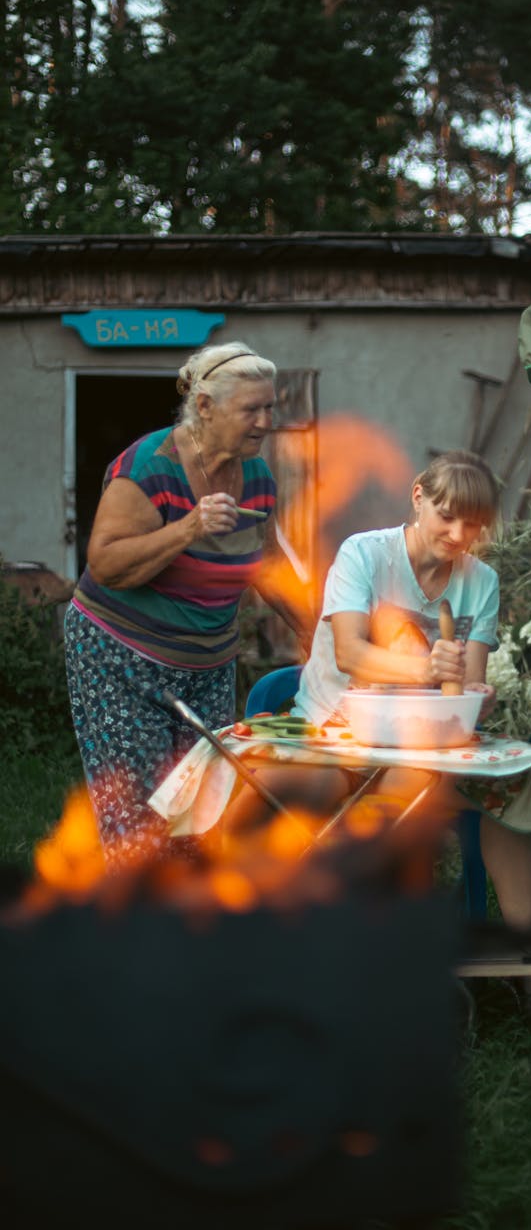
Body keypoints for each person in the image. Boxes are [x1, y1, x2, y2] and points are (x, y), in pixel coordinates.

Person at [220, 448, 531, 1018]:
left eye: (473, 525)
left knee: (513, 791)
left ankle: (525, 964)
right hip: (336, 733)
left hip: (424, 740)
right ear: (418, 498)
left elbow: (467, 685)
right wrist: (427, 668)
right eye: (447, 516)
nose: (458, 534)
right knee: (308, 802)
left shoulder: (479, 581)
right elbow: (352, 654)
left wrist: (476, 695)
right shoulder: (365, 555)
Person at [63, 341, 314, 863]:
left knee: (202, 807)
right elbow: (106, 563)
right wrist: (189, 527)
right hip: (120, 658)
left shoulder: (257, 477)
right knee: (141, 811)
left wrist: (317, 630)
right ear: (205, 406)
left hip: (207, 662)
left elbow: (267, 560)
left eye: (270, 407)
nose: (266, 422)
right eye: (252, 409)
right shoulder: (149, 467)